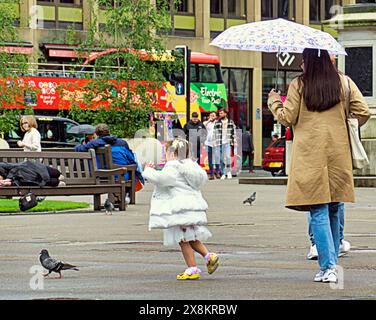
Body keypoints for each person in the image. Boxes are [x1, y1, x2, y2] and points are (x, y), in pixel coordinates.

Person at [268, 48, 370, 283]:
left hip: (310, 155)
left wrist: (274, 101)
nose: (302, 64)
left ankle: (328, 267)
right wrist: (344, 123)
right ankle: (332, 263)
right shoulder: (343, 82)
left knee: (318, 210)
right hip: (338, 154)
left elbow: (287, 117)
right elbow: (363, 112)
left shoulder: (300, 84)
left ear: (309, 62)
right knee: (333, 208)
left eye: (304, 60)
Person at [142, 138, 219, 280]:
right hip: (191, 207)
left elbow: (162, 179)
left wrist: (148, 170)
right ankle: (209, 256)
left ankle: (192, 268)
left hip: (180, 208)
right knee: (191, 237)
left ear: (171, 153)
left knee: (183, 239)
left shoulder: (173, 166)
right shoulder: (192, 166)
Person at [74, 123, 144, 188]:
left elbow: (79, 149)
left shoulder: (94, 143)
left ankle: (116, 197)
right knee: (132, 170)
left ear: (96, 134)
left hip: (101, 176)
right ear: (109, 132)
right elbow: (131, 159)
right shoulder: (122, 143)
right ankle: (124, 196)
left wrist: (81, 144)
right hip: (121, 175)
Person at [213, 108, 236, 180]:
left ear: (225, 114)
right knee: (221, 159)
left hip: (227, 142)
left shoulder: (230, 122)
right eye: (219, 113)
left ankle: (228, 172)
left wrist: (234, 141)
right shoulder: (217, 122)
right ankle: (223, 173)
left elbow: (234, 132)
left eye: (221, 113)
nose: (220, 115)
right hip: (219, 142)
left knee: (228, 157)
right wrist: (214, 142)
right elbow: (214, 133)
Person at [0, 161, 65, 187]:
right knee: (55, 182)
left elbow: (16, 167)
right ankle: (58, 181)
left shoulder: (1, 166)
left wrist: (9, 178)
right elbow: (19, 183)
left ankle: (59, 176)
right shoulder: (4, 181)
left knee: (56, 173)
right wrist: (10, 183)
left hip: (30, 168)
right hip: (31, 179)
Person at [203, 111, 219, 180]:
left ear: (216, 116)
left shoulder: (218, 123)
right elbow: (203, 125)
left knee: (217, 158)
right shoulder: (207, 123)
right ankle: (212, 173)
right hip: (208, 143)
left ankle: (217, 172)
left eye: (213, 115)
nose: (212, 117)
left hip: (216, 143)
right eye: (210, 115)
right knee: (210, 159)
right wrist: (209, 120)